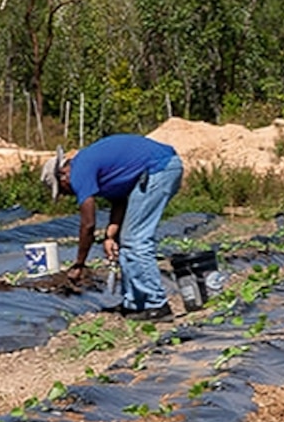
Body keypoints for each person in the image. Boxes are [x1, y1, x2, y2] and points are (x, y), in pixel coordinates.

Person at [54, 132, 186, 316]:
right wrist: (110, 237)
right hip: (158, 168)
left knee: (136, 240)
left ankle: (156, 305)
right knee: (127, 241)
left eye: (62, 190)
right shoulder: (96, 168)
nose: (68, 194)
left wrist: (79, 264)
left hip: (158, 168)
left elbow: (88, 225)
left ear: (63, 176)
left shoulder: (79, 171)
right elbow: (120, 202)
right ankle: (134, 302)